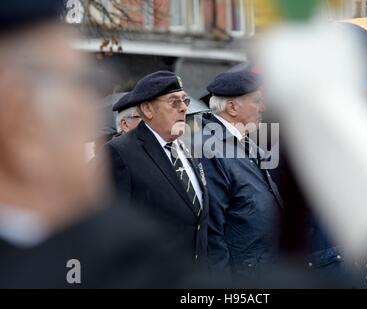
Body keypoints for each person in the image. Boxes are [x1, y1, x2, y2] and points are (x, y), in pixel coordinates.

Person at [0, 0, 190, 288]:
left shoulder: (123, 245)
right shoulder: (113, 253)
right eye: (86, 82)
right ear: (19, 114)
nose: (93, 105)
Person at [103, 71, 209, 266]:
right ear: (148, 109)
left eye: (184, 100)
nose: (184, 108)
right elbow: (110, 230)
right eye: (174, 102)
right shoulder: (119, 153)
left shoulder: (185, 150)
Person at [199, 70, 283, 280]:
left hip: (263, 265)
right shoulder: (211, 149)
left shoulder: (244, 141)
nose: (263, 108)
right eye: (257, 101)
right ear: (232, 106)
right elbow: (212, 229)